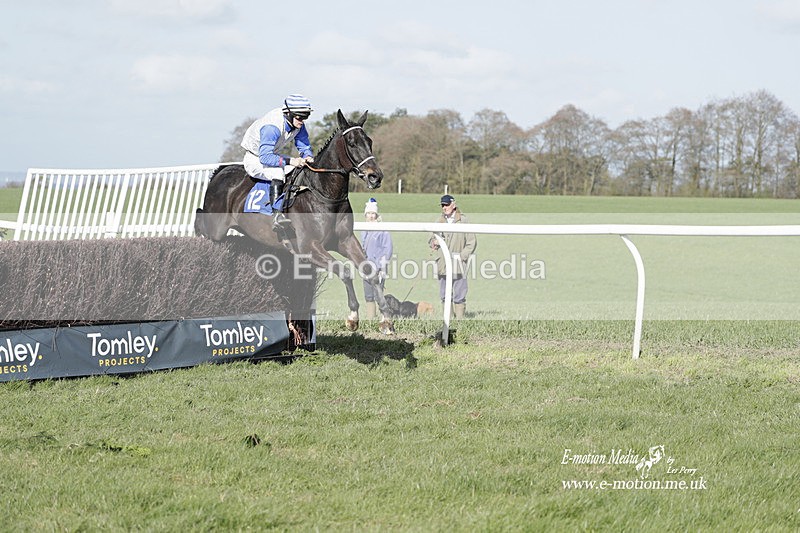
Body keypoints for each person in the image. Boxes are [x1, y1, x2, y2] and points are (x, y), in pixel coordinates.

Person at [240, 93, 315, 231]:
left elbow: (303, 144)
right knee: (277, 172)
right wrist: (291, 160)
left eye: (306, 116)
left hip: (271, 155)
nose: (302, 120)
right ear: (288, 113)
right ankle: (277, 216)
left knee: (300, 169)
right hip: (255, 158)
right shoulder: (272, 127)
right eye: (300, 116)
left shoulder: (297, 123)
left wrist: (308, 156)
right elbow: (265, 158)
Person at [429, 194, 477, 319]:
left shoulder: (464, 220)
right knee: (445, 295)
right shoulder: (438, 221)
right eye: (442, 205)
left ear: (453, 204)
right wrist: (434, 242)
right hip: (442, 264)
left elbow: (471, 242)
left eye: (446, 205)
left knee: (460, 295)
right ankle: (448, 321)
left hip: (459, 264)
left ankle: (459, 322)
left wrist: (462, 257)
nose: (444, 207)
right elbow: (431, 240)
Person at [361, 198, 393, 319]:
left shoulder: (382, 230)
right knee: (368, 296)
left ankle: (383, 318)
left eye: (372, 213)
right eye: (368, 213)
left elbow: (387, 249)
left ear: (376, 214)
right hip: (366, 267)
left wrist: (380, 266)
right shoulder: (363, 229)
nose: (370, 216)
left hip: (378, 268)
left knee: (378, 294)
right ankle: (370, 319)